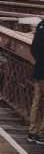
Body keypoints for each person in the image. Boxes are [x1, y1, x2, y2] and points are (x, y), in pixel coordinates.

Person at [28, 17, 44, 145]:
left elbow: (33, 48)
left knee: (36, 101)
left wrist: (40, 61)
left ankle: (32, 132)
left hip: (39, 69)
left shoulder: (40, 25)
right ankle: (41, 134)